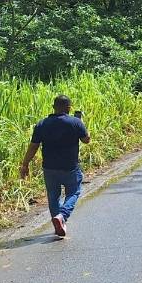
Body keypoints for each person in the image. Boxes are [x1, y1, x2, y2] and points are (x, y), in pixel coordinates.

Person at [19, 94, 91, 238]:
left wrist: (25, 164)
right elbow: (86, 140)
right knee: (74, 192)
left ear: (53, 107)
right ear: (69, 108)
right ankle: (62, 216)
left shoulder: (42, 124)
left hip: (49, 168)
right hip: (70, 167)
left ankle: (58, 222)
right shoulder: (75, 122)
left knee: (53, 196)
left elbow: (33, 147)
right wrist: (81, 123)